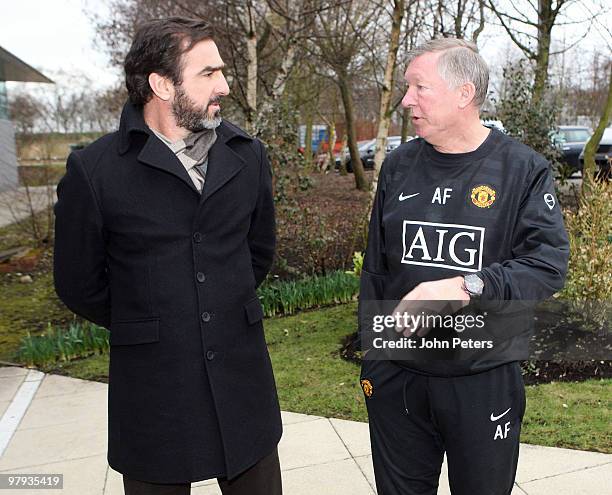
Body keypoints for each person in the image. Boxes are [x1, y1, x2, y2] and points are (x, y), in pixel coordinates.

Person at [53, 17, 282, 495]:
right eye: (207, 73)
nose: (224, 85)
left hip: (243, 389)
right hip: (153, 396)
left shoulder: (247, 156)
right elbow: (79, 283)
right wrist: (149, 320)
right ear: (160, 84)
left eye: (222, 71)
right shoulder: (94, 171)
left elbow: (258, 254)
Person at [359, 38, 569, 494]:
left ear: (464, 93)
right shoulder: (397, 166)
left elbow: (547, 264)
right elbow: (376, 270)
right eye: (406, 87)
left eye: (420, 87)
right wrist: (374, 359)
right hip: (399, 377)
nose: (406, 99)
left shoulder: (522, 170)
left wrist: (466, 285)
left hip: (482, 378)